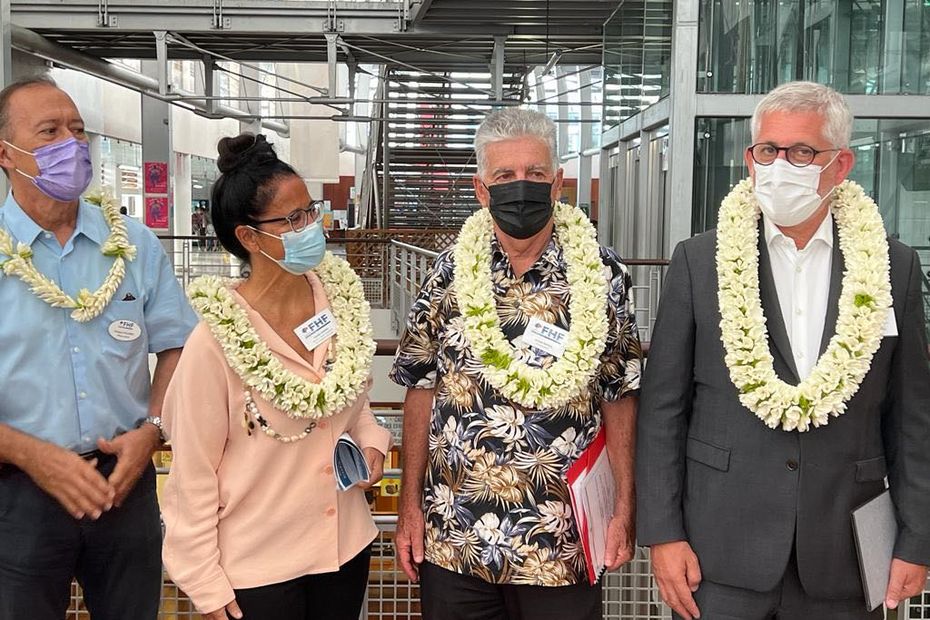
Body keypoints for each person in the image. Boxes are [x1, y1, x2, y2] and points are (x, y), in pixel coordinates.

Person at [636, 81, 930, 620]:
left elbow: (912, 418)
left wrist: (917, 539)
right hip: (717, 550)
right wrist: (662, 534)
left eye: (801, 152)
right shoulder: (700, 262)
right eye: (767, 150)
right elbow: (662, 411)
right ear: (750, 158)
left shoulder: (895, 267)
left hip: (845, 550)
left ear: (840, 166)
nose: (779, 166)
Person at [390, 108, 642, 619]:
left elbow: (621, 393)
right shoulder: (447, 272)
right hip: (454, 537)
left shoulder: (603, 273)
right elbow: (419, 387)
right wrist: (409, 506)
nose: (520, 187)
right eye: (505, 176)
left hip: (560, 544)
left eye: (535, 174)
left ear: (557, 184)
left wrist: (624, 507)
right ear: (482, 190)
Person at [161, 133, 391, 620]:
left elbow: (356, 405)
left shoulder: (339, 305)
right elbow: (193, 475)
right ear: (248, 237)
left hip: (342, 549)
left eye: (312, 212)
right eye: (293, 219)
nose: (312, 227)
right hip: (258, 569)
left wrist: (371, 441)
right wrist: (202, 580)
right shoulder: (214, 343)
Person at [0, 75, 197, 619]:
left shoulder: (133, 244)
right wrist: (29, 454)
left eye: (78, 130)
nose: (72, 143)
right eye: (50, 131)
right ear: (5, 153)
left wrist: (153, 432)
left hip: (125, 483)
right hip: (19, 496)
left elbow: (178, 346)